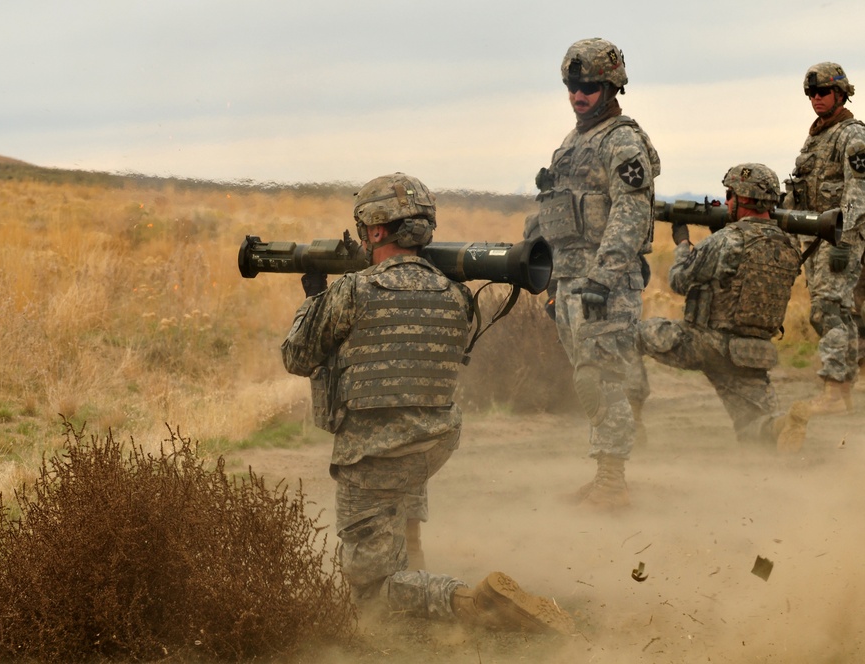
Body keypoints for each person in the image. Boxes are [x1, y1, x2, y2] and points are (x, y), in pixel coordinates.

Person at [281, 173, 574, 633]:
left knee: (372, 591)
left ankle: (471, 602)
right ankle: (412, 562)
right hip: (433, 443)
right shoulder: (456, 295)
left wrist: (313, 299)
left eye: (364, 226)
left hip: (373, 455)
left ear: (376, 230)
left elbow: (296, 356)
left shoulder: (352, 292)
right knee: (405, 445)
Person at [524, 38, 659, 508]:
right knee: (588, 375)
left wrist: (604, 277)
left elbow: (629, 213)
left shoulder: (621, 140)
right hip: (571, 279)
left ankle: (612, 480)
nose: (579, 95)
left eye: (589, 86)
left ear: (611, 85)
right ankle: (605, 472)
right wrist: (553, 281)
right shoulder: (573, 142)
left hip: (606, 283)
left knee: (603, 377)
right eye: (572, 85)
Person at [638, 164, 810, 452]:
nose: (726, 202)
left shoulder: (726, 241)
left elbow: (679, 281)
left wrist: (682, 243)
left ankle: (630, 421)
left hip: (705, 343)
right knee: (753, 427)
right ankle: (778, 426)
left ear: (743, 199)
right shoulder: (788, 245)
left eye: (730, 195)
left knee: (630, 336)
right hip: (751, 354)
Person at [782, 62, 865, 414]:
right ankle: (842, 389)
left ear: (841, 93)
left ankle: (833, 388)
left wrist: (843, 239)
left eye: (824, 92)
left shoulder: (853, 136)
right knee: (832, 311)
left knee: (828, 308)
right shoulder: (816, 136)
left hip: (839, 239)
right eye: (811, 93)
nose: (816, 99)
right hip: (814, 240)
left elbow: (858, 193)